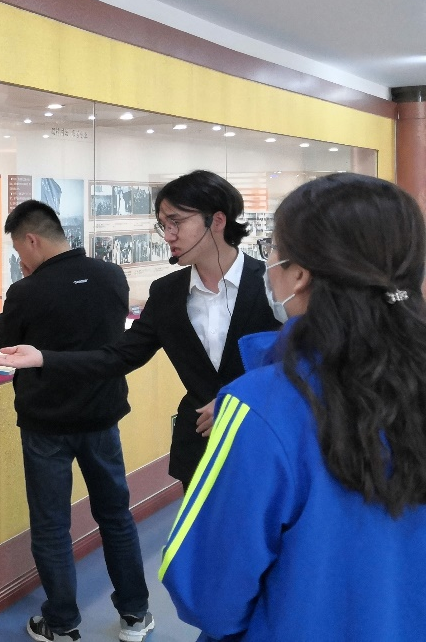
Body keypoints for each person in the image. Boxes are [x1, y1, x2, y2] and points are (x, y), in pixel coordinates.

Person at [160, 172, 426, 639]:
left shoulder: (261, 407)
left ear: (300, 274)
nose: (269, 264)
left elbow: (207, 593)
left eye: (273, 249)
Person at [0, 171, 280, 488]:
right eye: (163, 225)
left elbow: (304, 362)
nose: (168, 236)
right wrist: (44, 358)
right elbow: (119, 356)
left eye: (176, 222)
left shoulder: (272, 284)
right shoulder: (168, 293)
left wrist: (242, 400)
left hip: (268, 441)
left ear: (217, 220)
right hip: (199, 446)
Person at [0, 200, 154, 642]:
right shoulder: (112, 275)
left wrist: (25, 288)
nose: (20, 260)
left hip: (46, 425)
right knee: (116, 515)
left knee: (51, 526)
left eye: (18, 251)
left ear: (31, 240)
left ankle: (61, 623)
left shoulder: (27, 291)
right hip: (101, 417)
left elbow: (5, 341)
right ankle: (135, 615)